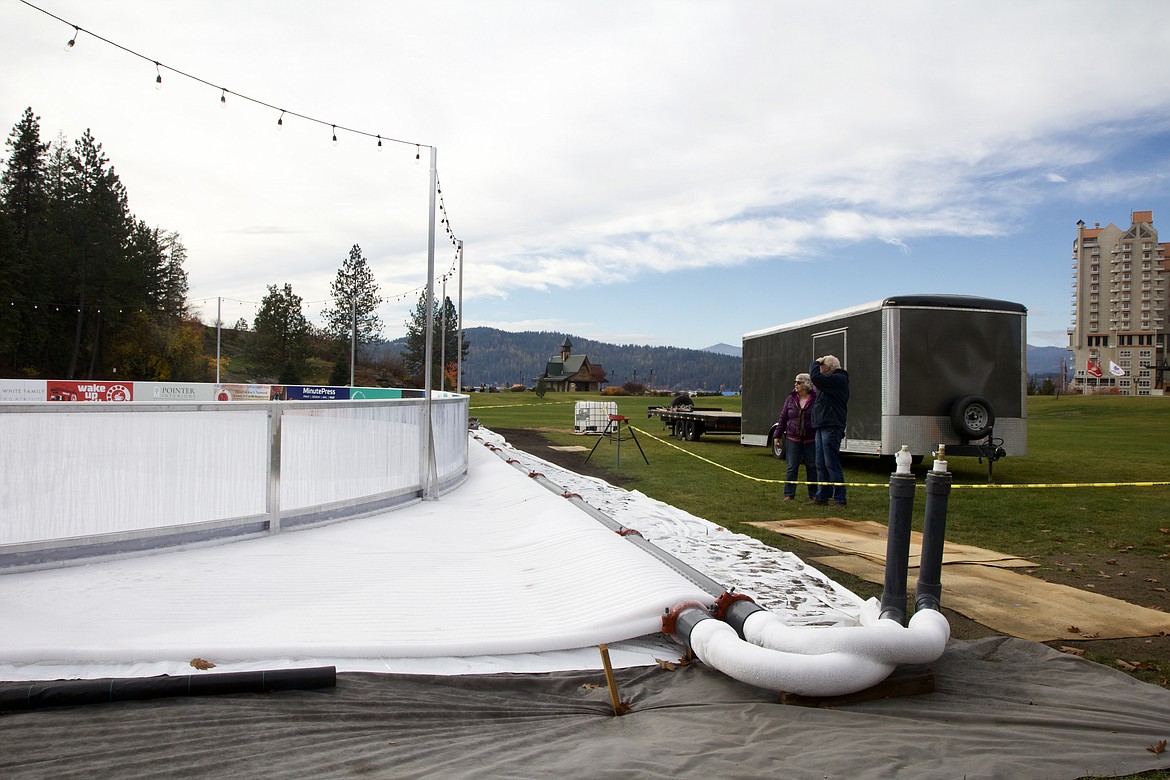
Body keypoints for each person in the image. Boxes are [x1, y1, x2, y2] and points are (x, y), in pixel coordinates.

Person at [809, 354, 849, 506]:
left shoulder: (838, 379)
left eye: (821, 366)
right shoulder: (830, 383)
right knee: (820, 463)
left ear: (827, 367)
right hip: (822, 425)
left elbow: (815, 377)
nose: (820, 369)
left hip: (832, 426)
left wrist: (815, 363)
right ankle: (822, 496)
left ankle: (840, 498)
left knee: (831, 462)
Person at [774, 372, 818, 501]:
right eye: (795, 382)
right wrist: (777, 435)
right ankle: (789, 494)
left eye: (798, 382)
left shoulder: (816, 399)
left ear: (806, 384)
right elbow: (783, 418)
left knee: (812, 467)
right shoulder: (790, 399)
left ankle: (814, 494)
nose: (795, 385)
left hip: (811, 438)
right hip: (793, 439)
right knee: (792, 467)